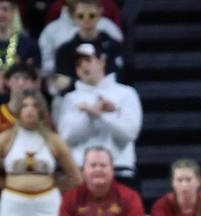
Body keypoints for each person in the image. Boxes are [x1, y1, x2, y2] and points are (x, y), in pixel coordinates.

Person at [54, 44, 142, 181]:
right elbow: (66, 136)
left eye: (88, 60)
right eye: (78, 64)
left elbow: (130, 133)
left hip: (120, 170)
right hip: (81, 172)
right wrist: (89, 116)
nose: (83, 66)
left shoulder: (126, 93)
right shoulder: (70, 99)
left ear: (102, 62)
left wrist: (101, 116)